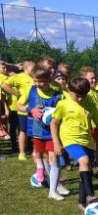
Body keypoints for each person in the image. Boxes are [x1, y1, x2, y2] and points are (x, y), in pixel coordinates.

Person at [50, 77, 98, 211]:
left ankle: (82, 203)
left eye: (84, 96)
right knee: (84, 160)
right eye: (77, 96)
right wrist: (56, 143)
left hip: (87, 141)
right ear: (69, 90)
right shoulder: (63, 104)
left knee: (86, 169)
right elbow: (53, 123)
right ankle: (90, 194)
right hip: (70, 139)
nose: (80, 99)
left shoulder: (90, 104)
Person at [21, 65, 69, 200]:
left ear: (49, 79)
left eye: (41, 81)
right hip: (36, 131)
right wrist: (31, 110)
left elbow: (67, 109)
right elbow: (19, 105)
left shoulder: (58, 96)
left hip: (52, 133)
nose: (37, 84)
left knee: (54, 160)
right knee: (44, 158)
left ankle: (52, 191)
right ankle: (55, 184)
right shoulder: (31, 90)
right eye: (35, 81)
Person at [1, 59, 35, 160]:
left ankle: (35, 150)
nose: (35, 69)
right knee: (22, 130)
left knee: (35, 131)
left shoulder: (36, 77)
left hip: (36, 108)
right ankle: (22, 152)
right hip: (23, 109)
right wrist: (17, 94)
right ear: (26, 68)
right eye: (33, 67)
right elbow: (4, 85)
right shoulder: (19, 77)